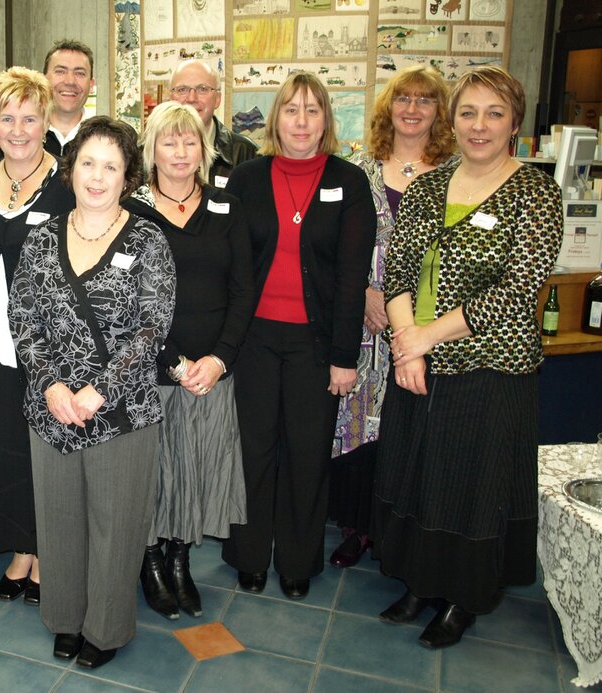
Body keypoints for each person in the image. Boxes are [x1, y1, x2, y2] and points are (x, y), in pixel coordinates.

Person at [371, 66, 563, 649]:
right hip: (418, 362)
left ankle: (462, 597)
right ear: (452, 122)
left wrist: (425, 338)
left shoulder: (536, 194)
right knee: (419, 476)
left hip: (490, 369)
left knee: (470, 487)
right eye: (469, 112)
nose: (480, 125)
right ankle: (421, 581)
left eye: (494, 113)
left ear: (514, 123)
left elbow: (516, 290)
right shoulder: (429, 188)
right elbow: (399, 271)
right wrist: (407, 345)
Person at [9, 116, 176, 669]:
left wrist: (99, 390)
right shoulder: (41, 236)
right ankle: (64, 617)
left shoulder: (148, 239)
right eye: (88, 163)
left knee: (115, 526)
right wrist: (50, 385)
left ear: (128, 176)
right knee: (59, 521)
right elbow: (22, 316)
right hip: (52, 408)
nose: (97, 177)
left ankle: (105, 629)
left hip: (121, 411)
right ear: (71, 168)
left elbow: (152, 327)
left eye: (111, 166)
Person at [221, 71, 375, 601]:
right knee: (252, 451)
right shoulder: (247, 179)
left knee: (307, 455)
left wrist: (344, 356)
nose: (302, 121)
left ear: (326, 119)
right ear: (276, 118)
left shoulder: (349, 182)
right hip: (254, 340)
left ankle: (296, 560)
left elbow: (353, 277)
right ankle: (248, 554)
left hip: (316, 344)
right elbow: (232, 267)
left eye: (312, 110)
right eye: (291, 109)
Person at [122, 101, 253, 620]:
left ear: (205, 149)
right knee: (154, 472)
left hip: (213, 371)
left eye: (190, 141)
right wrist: (174, 361)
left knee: (195, 469)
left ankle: (180, 560)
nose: (180, 151)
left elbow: (243, 291)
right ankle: (150, 560)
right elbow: (128, 300)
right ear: (150, 151)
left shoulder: (227, 207)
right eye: (168, 141)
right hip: (150, 368)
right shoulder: (130, 211)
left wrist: (219, 359)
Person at [328, 66, 456, 569]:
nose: (412, 108)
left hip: (431, 327)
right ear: (388, 107)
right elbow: (332, 246)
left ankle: (400, 532)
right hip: (364, 325)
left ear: (439, 112)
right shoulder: (358, 170)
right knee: (358, 425)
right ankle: (357, 527)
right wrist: (362, 294)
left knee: (413, 427)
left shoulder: (456, 172)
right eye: (403, 98)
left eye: (425, 100)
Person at [0, 66, 74, 605]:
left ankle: (46, 549)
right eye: (8, 118)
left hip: (49, 346)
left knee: (44, 446)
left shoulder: (68, 184)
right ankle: (18, 547)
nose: (19, 129)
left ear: (45, 120)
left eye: (29, 118)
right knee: (2, 442)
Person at [168, 59, 257, 187]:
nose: (192, 98)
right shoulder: (146, 153)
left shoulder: (246, 154)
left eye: (202, 89)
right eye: (182, 90)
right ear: (170, 98)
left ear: (218, 99)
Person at [43, 39, 95, 157]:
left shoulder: (106, 139)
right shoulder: (23, 137)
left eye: (80, 73)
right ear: (43, 80)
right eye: (60, 71)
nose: (70, 81)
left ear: (91, 84)